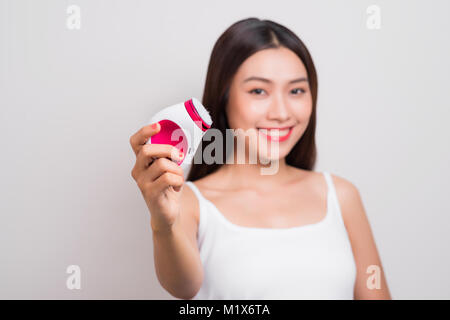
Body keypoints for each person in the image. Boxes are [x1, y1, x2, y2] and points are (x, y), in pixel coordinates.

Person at [129, 17, 392, 300]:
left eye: (296, 91)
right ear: (224, 97)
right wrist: (163, 224)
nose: (280, 112)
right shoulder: (188, 202)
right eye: (258, 91)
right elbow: (182, 287)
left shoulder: (341, 195)